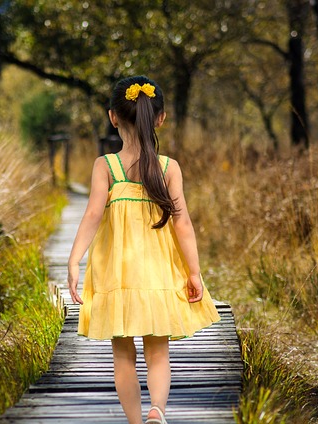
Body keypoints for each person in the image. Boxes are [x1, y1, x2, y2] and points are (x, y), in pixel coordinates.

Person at [67, 76, 221, 424]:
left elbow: (92, 214)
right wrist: (194, 271)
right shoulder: (168, 169)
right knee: (157, 351)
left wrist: (75, 260)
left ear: (113, 117)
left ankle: (136, 422)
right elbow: (183, 224)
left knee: (123, 355)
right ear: (160, 118)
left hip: (115, 276)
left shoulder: (105, 167)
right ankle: (157, 412)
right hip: (157, 275)